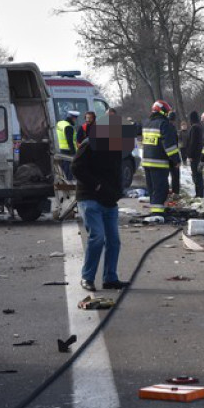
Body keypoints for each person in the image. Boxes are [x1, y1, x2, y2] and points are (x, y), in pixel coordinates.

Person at [72, 115, 129, 291]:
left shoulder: (115, 147)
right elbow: (76, 168)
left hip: (109, 201)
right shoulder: (89, 144)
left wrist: (118, 191)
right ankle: (87, 278)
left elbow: (116, 172)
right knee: (97, 237)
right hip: (90, 199)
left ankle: (110, 278)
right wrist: (96, 185)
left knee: (114, 241)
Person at [141, 100, 180, 218]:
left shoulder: (146, 123)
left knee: (152, 188)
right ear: (162, 111)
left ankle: (155, 210)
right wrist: (176, 160)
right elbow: (169, 146)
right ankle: (157, 213)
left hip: (147, 162)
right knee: (161, 188)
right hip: (159, 163)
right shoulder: (164, 124)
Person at [185, 110, 204, 199]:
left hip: (195, 156)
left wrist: (189, 154)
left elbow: (192, 143)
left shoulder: (194, 128)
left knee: (196, 176)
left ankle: (199, 194)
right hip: (200, 154)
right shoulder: (200, 127)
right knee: (199, 175)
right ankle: (200, 193)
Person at [55, 111, 79, 182]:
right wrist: (73, 153)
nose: (76, 120)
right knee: (69, 168)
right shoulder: (68, 127)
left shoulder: (60, 123)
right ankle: (69, 182)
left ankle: (64, 182)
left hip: (60, 148)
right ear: (73, 118)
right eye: (75, 119)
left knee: (63, 167)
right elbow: (70, 141)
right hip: (68, 150)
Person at [168, 110, 182, 196]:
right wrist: (177, 160)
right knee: (175, 174)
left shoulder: (164, 126)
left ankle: (170, 191)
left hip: (166, 155)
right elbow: (173, 145)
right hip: (172, 155)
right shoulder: (171, 128)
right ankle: (175, 192)